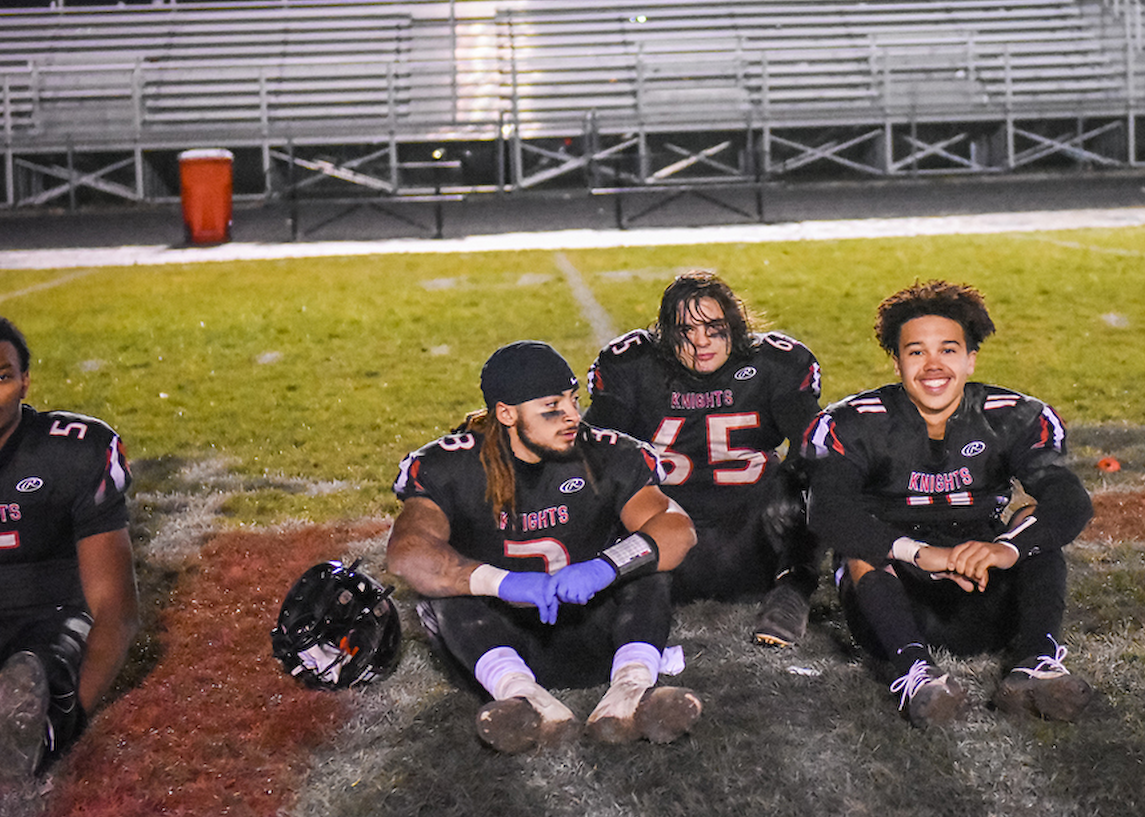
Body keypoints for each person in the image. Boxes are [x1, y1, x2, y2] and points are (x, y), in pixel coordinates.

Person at [803, 280, 1095, 727]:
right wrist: (921, 553)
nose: (933, 365)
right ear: (897, 361)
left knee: (1031, 519)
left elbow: (1069, 500)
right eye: (916, 351)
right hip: (897, 591)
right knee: (858, 546)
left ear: (970, 358)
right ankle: (915, 674)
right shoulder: (855, 423)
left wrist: (1005, 549)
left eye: (948, 350)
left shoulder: (1011, 415)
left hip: (982, 579)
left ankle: (1035, 663)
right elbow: (828, 510)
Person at [387, 340, 702, 752]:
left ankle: (631, 692)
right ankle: (523, 701)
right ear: (507, 414)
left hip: (596, 634)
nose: (572, 415)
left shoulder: (607, 454)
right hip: (498, 638)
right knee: (444, 588)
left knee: (647, 564)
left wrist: (606, 567)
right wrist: (501, 583)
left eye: (573, 400)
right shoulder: (452, 465)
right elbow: (408, 553)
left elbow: (678, 529)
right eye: (552, 407)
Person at [585, 272, 823, 647]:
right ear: (666, 333)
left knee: (820, 468)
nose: (701, 342)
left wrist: (793, 490)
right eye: (686, 331)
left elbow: (813, 445)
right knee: (597, 485)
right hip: (666, 535)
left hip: (752, 537)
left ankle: (791, 590)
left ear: (734, 325)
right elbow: (591, 454)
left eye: (713, 328)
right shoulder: (632, 367)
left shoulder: (775, 365)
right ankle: (633, 598)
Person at [0, 313, 139, 778]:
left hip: (47, 616)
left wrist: (71, 719)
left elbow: (116, 609)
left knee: (40, 670)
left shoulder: (71, 453)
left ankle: (37, 725)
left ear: (25, 382)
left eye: (1, 377)